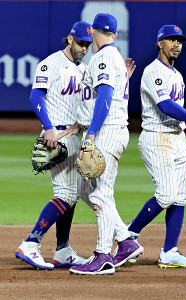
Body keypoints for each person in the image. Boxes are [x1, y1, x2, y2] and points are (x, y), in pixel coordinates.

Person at [57, 13, 143, 275]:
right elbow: (100, 97)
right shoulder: (110, 57)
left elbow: (105, 95)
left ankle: (103, 255)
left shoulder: (104, 57)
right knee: (85, 189)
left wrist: (91, 135)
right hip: (106, 129)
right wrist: (80, 128)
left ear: (92, 30)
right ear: (115, 34)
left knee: (100, 194)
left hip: (106, 132)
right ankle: (126, 241)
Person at [125, 24, 186, 269]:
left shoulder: (177, 75)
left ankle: (169, 251)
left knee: (180, 196)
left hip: (177, 139)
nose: (176, 44)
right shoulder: (154, 71)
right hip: (157, 137)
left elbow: (175, 113)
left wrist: (184, 147)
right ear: (160, 43)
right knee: (166, 194)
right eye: (171, 39)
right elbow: (166, 107)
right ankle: (128, 235)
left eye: (179, 40)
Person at [15, 21, 93, 270]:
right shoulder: (51, 63)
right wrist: (48, 127)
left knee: (72, 197)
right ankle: (30, 243)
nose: (84, 48)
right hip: (56, 135)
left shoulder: (84, 69)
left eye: (88, 45)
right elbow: (36, 95)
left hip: (73, 135)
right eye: (81, 43)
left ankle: (62, 250)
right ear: (70, 39)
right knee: (66, 194)